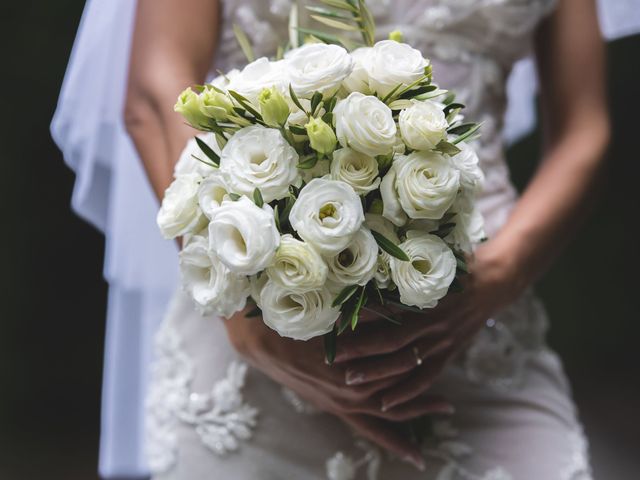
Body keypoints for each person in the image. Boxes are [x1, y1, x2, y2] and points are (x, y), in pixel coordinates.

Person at [52, 0, 620, 478]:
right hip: (260, 329)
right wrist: (245, 312)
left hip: (480, 327)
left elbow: (584, 127)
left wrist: (498, 275)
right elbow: (156, 91)